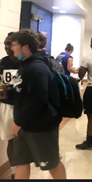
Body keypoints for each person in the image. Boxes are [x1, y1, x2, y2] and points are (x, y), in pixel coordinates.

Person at [10, 29, 66, 179]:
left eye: (14, 45)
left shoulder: (38, 68)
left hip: (41, 127)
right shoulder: (25, 65)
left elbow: (39, 99)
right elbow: (23, 92)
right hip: (24, 125)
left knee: (51, 163)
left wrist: (19, 121)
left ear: (25, 47)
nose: (11, 48)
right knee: (21, 162)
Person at [0, 32, 20, 179]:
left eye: (11, 44)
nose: (8, 47)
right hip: (7, 106)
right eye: (7, 44)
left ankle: (21, 171)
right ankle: (14, 172)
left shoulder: (25, 61)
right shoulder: (3, 62)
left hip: (23, 106)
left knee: (23, 141)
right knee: (11, 141)